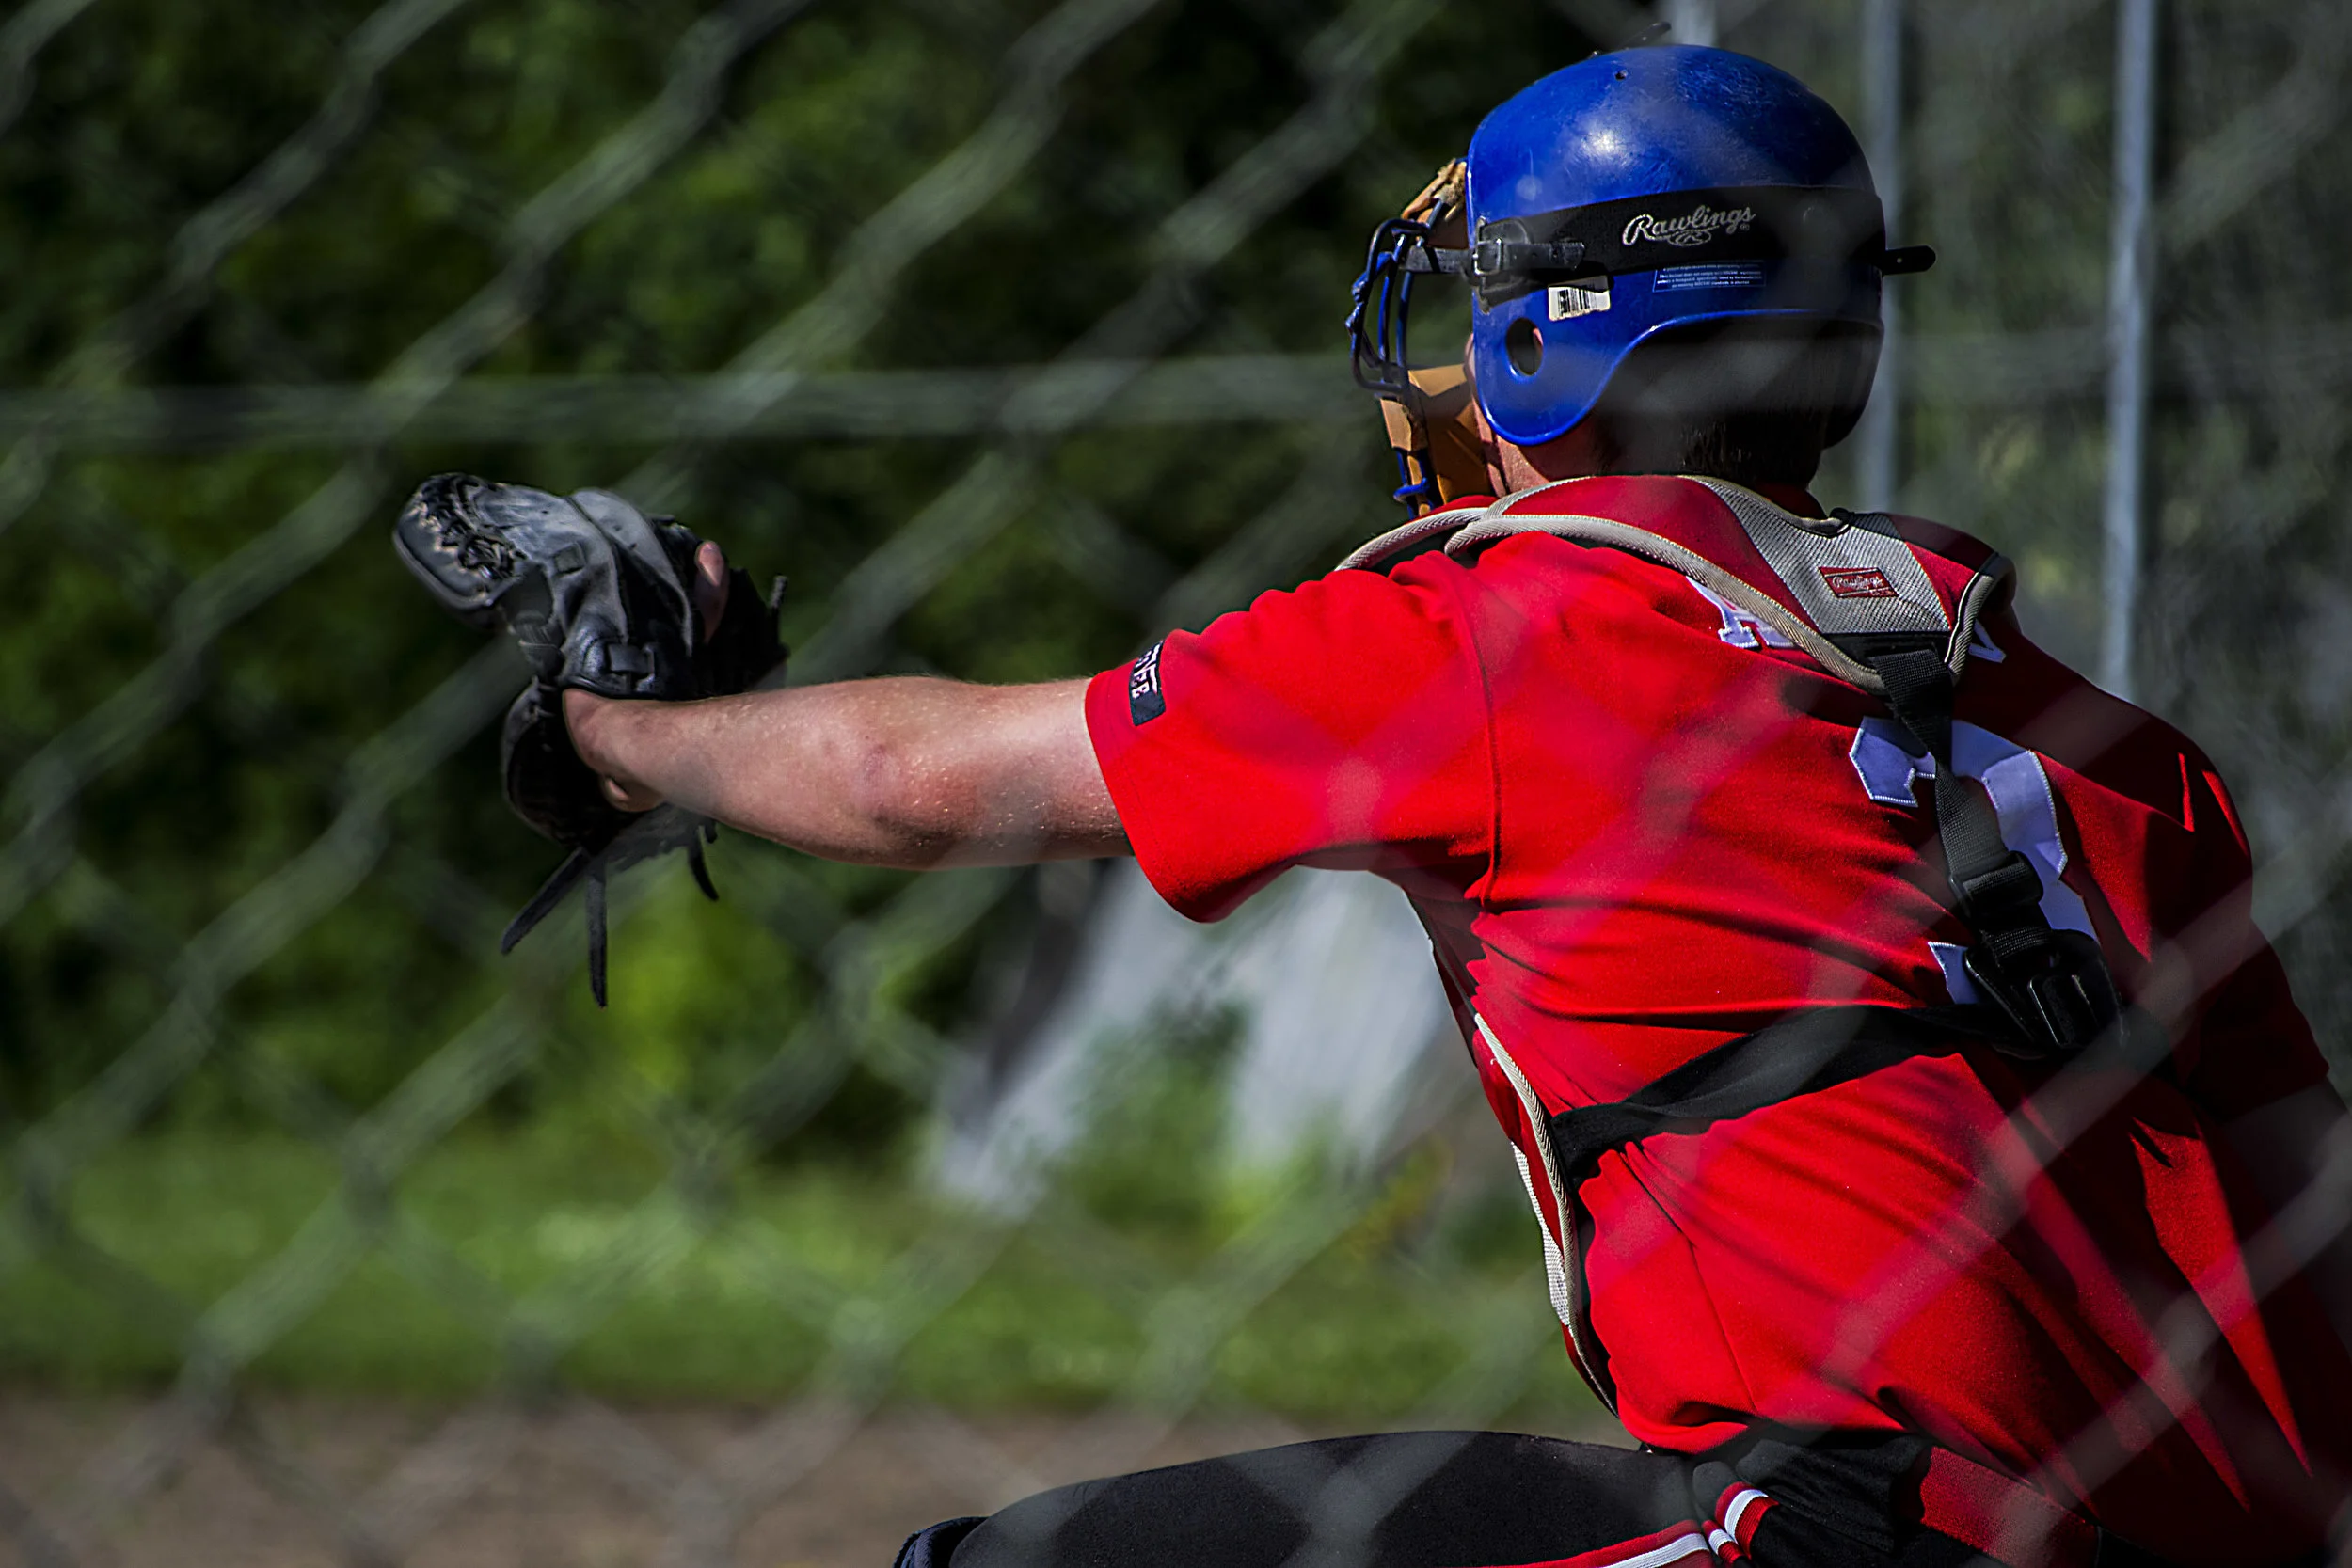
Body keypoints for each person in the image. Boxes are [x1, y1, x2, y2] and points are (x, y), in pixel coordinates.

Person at [557, 43, 2352, 1568]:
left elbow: (910, 779)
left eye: (1476, 301)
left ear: (1553, 343)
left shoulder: (1498, 629)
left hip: (1844, 1525)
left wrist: (622, 732)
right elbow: (2305, 1217)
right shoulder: (2108, 742)